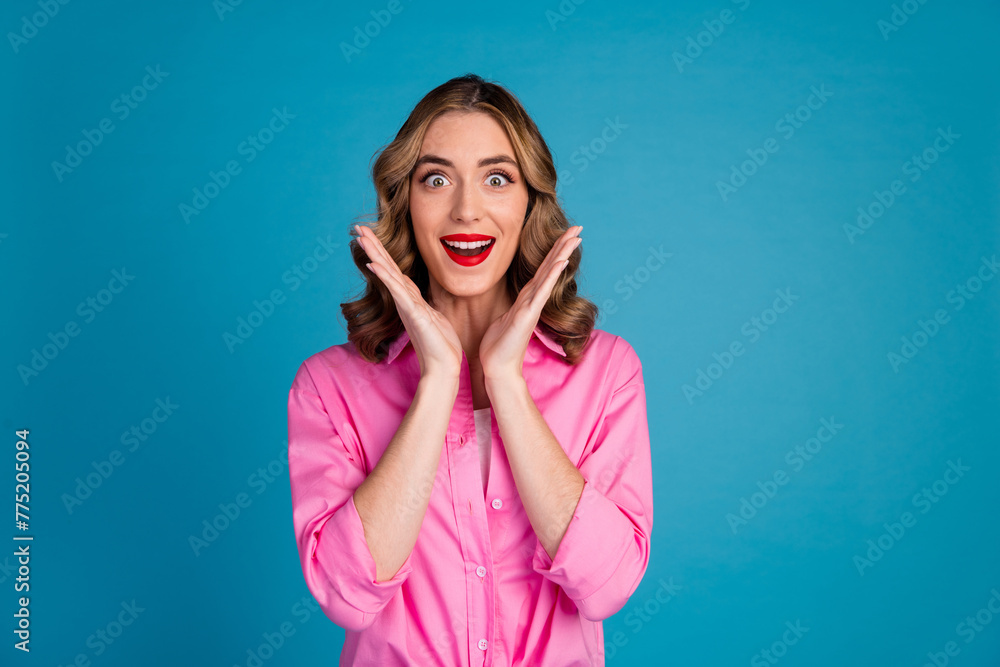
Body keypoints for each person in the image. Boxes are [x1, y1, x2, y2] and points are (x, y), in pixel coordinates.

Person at [287, 73, 653, 666]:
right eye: (436, 179)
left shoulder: (607, 372)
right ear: (406, 203)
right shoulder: (329, 387)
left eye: (497, 178)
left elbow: (605, 586)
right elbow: (348, 595)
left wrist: (505, 380)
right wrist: (437, 382)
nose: (466, 210)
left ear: (530, 202)